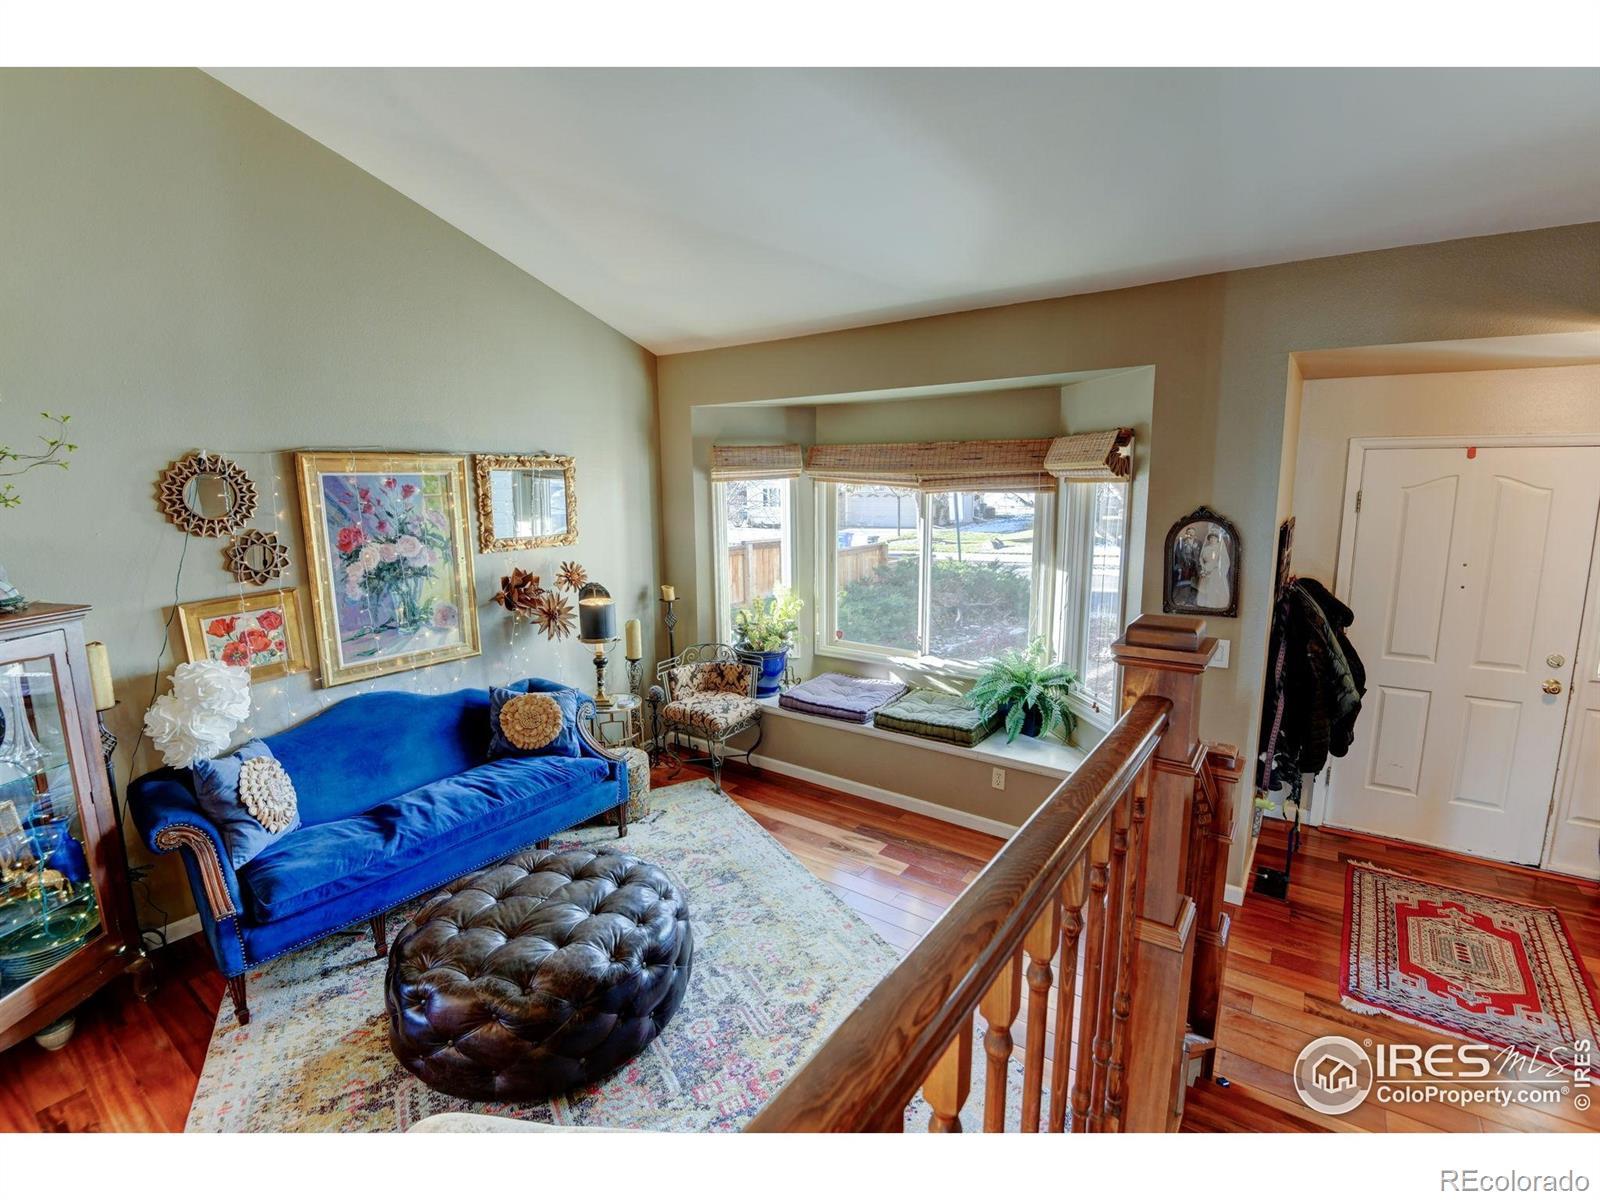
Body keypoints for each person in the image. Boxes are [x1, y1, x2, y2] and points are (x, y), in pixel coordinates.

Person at [1197, 529, 1231, 609]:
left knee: (1213, 587)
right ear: (1209, 539)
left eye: (1214, 538)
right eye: (1211, 538)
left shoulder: (1220, 548)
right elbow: (1201, 558)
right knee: (1205, 587)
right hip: (1206, 568)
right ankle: (1205, 603)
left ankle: (1214, 603)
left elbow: (1224, 560)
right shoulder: (1206, 548)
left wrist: (1215, 567)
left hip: (1216, 569)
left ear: (1217, 539)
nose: (1212, 539)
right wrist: (1203, 567)